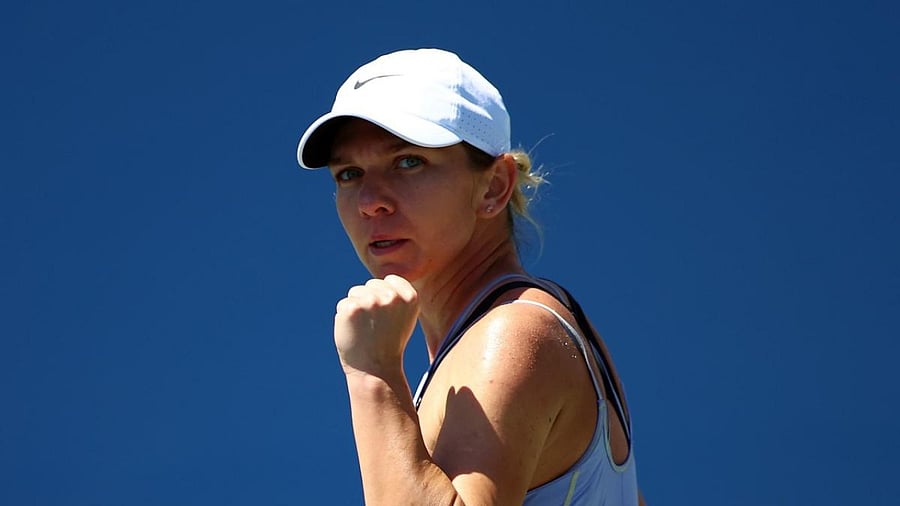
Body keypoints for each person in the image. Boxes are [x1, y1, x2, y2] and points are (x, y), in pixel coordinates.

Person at [297, 48, 645, 505]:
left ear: (494, 187)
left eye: (408, 162)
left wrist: (372, 374)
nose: (369, 201)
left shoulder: (513, 333)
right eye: (349, 174)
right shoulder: (516, 332)